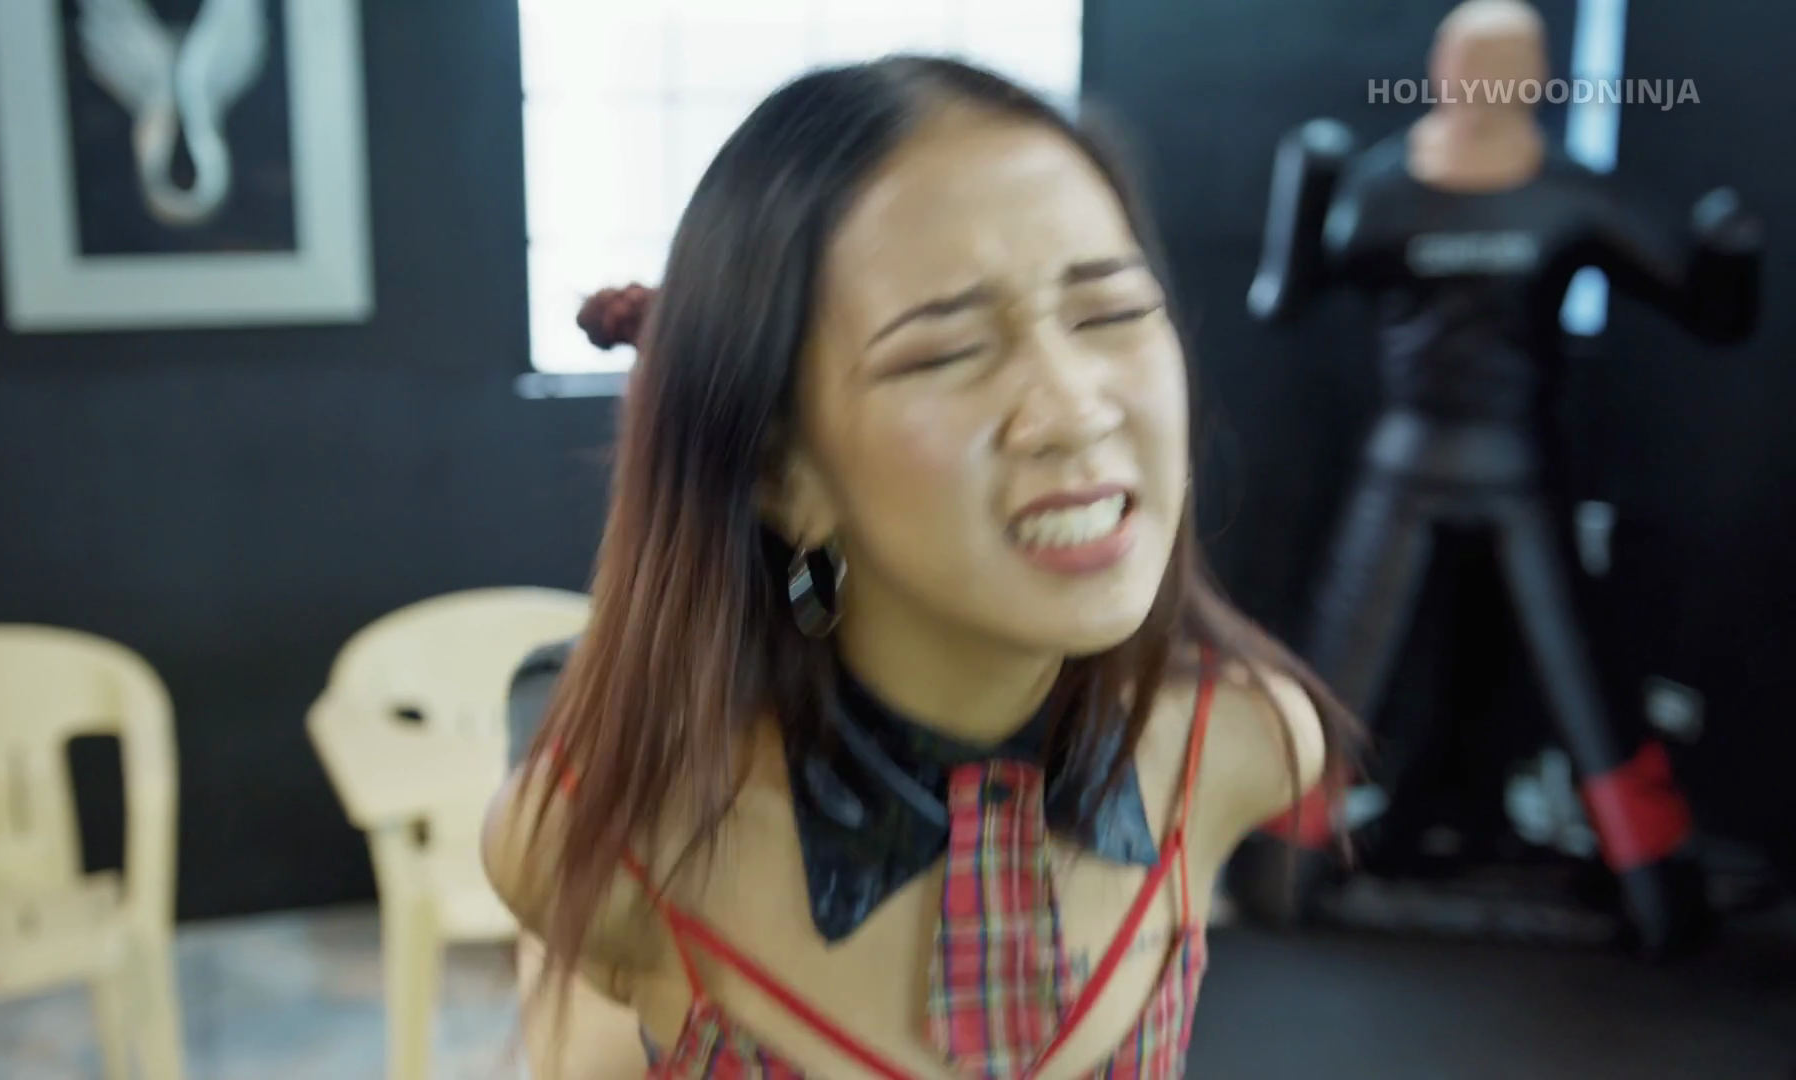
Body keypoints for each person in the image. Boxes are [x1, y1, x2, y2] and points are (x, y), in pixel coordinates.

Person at [484, 55, 1358, 1079]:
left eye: (1112, 314)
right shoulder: (608, 839)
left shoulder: (1245, 742)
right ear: (782, 474)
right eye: (948, 352)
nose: (1075, 409)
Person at [1242, 0, 1760, 956]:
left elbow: (1708, 308)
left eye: (1504, 63)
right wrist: (1302, 196)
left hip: (1521, 465)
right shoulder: (1381, 188)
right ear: (1437, 67)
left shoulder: (1570, 195)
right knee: (1338, 661)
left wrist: (1732, 256)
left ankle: (1659, 889)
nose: (1480, 81)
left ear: (1538, 79)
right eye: (1464, 59)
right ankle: (1278, 868)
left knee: (1586, 672)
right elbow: (1283, 297)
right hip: (1404, 460)